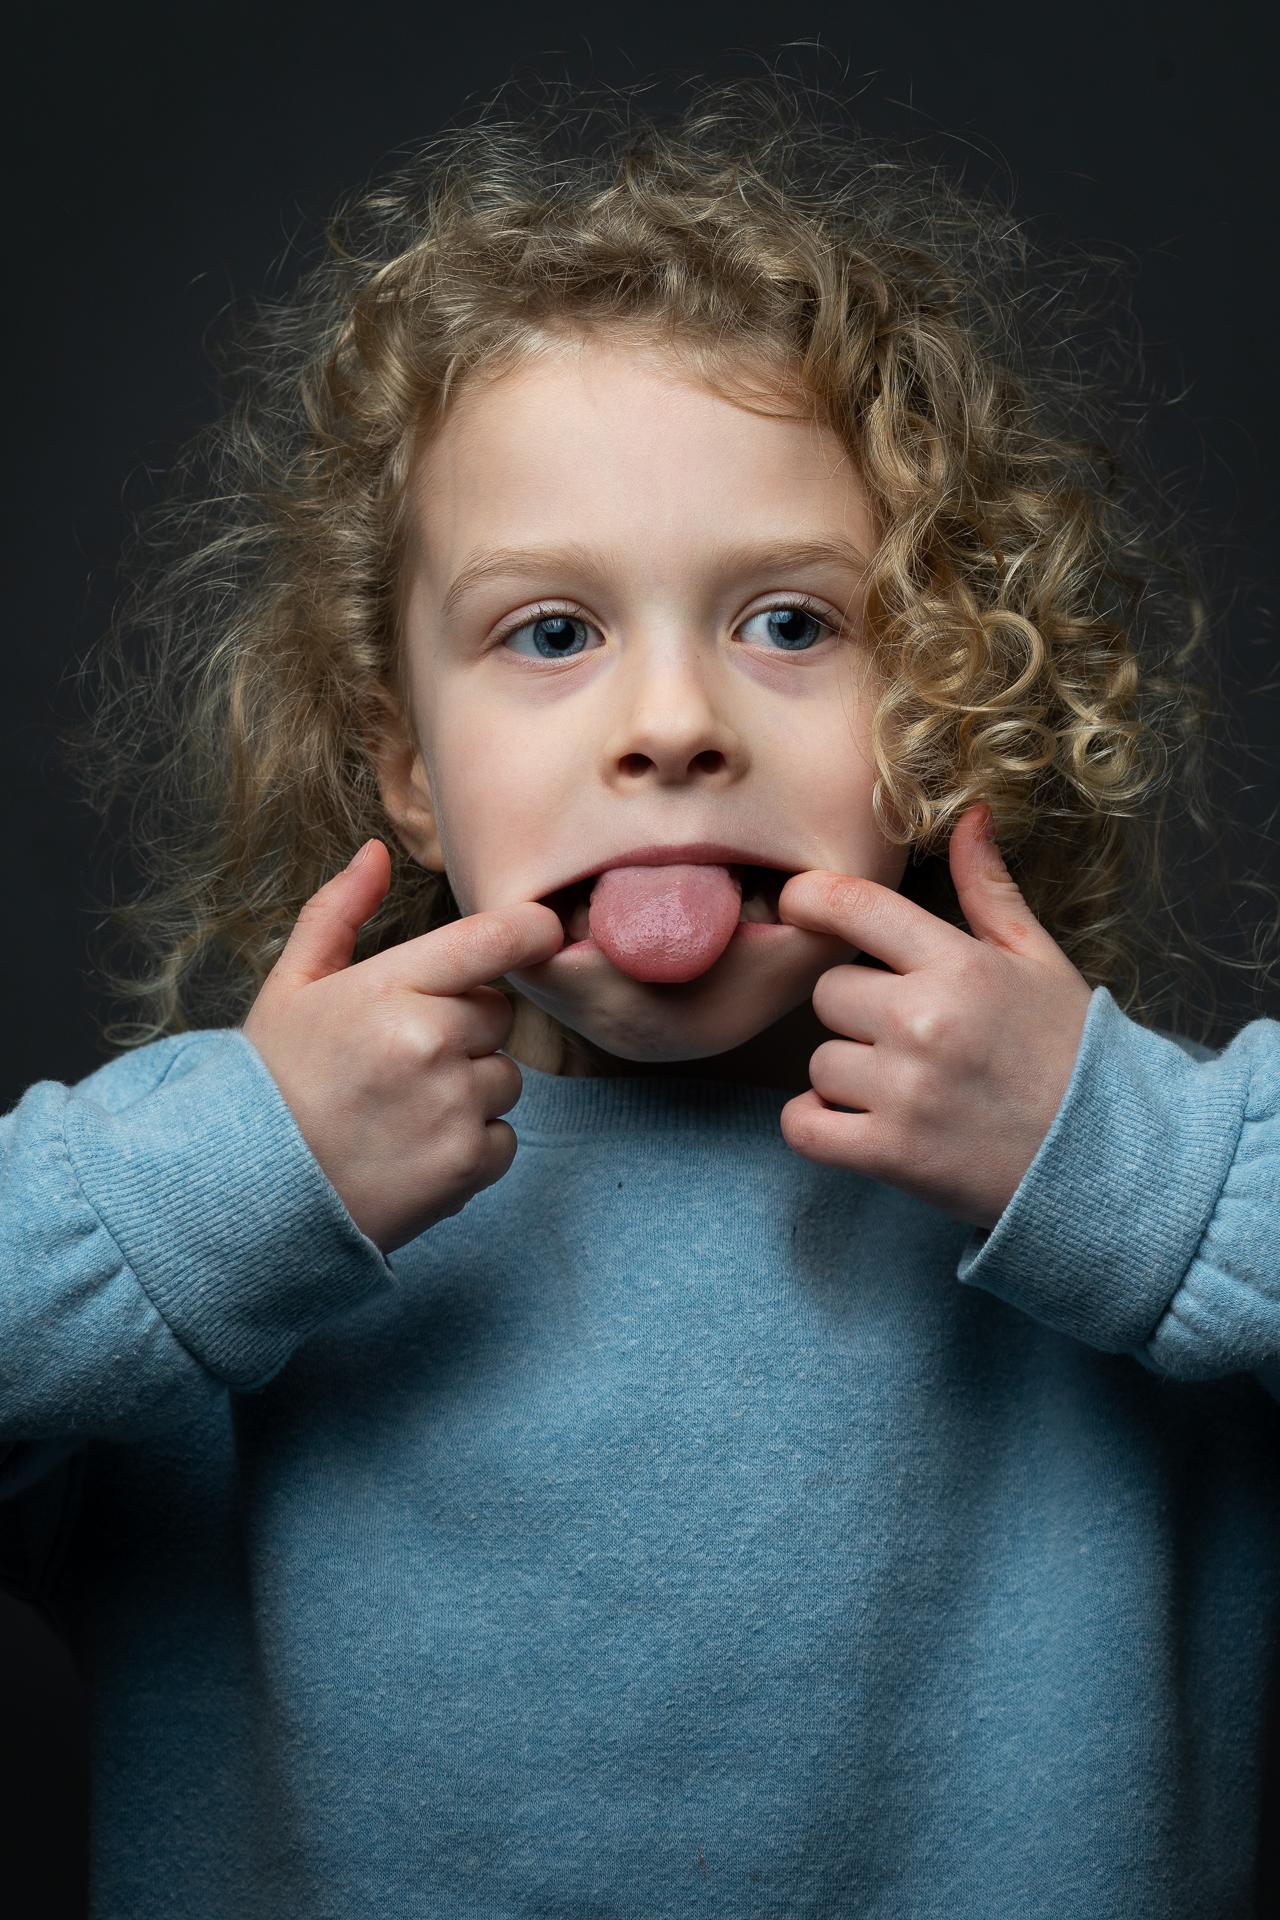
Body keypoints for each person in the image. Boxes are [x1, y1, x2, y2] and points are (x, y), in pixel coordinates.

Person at [3, 69, 1277, 1920]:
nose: (673, 725)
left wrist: (1148, 1176)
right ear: (406, 764)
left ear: (938, 719)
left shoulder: (1110, 1198)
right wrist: (213, 1192)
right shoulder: (236, 1231)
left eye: (791, 623)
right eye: (550, 632)